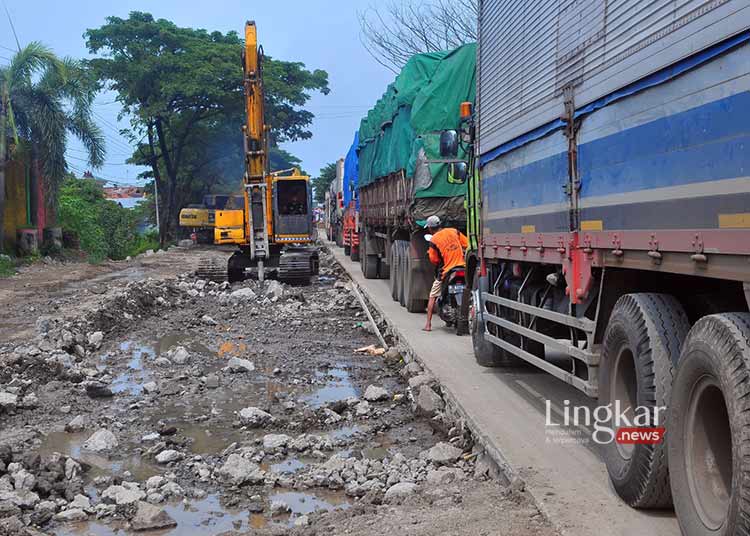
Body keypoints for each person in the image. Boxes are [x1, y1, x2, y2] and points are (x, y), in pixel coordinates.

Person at [423, 215, 468, 332]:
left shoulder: (433, 240)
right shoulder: (454, 231)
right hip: (463, 268)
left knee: (433, 295)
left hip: (447, 272)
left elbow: (434, 260)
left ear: (430, 228)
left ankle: (428, 324)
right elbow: (467, 244)